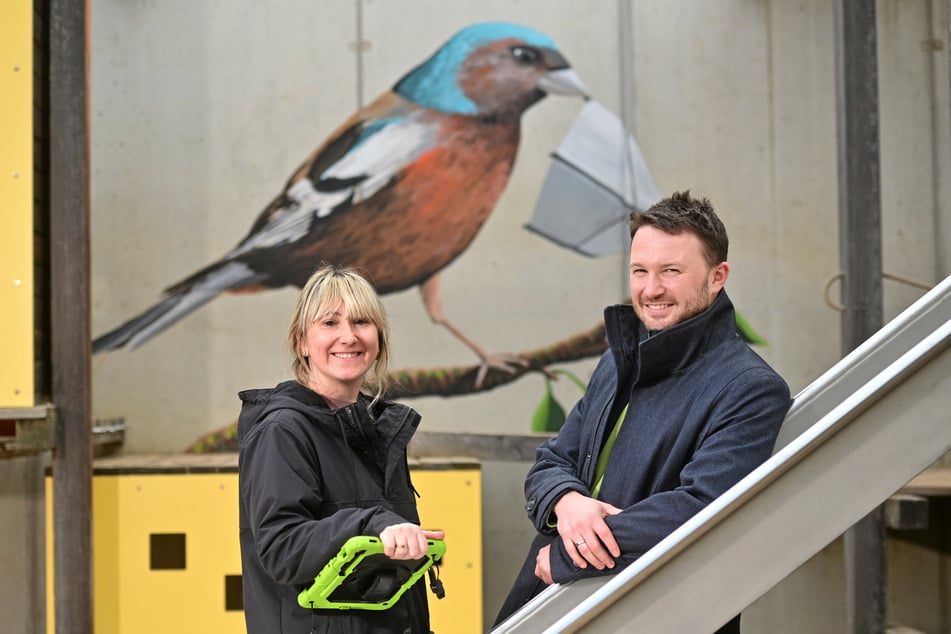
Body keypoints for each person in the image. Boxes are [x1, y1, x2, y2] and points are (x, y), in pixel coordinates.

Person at [494, 191, 792, 633]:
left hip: (663, 612)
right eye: (640, 271)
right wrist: (567, 501)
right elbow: (552, 461)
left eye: (671, 271)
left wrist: (564, 553)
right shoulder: (618, 362)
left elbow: (703, 509)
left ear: (717, 276)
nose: (651, 289)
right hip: (562, 600)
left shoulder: (750, 388)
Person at [238, 264, 444, 634]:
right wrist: (374, 524)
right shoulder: (282, 431)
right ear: (302, 341)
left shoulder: (377, 429)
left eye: (362, 322)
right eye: (330, 323)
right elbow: (281, 548)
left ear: (378, 337)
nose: (348, 337)